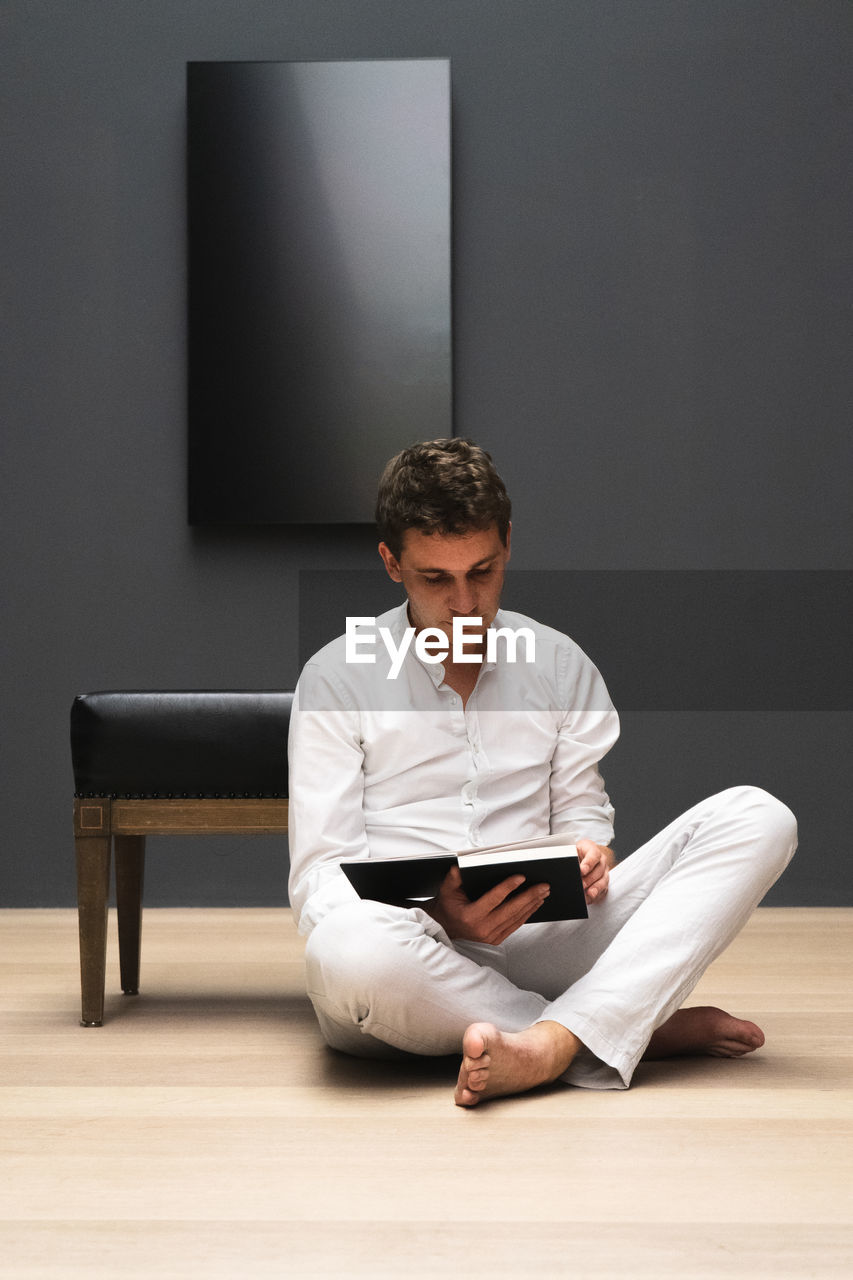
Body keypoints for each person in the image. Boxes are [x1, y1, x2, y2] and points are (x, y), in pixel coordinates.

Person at [287, 439, 797, 1106]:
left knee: (757, 817)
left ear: (507, 545)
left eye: (483, 571)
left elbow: (583, 814)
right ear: (391, 563)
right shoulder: (335, 677)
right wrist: (435, 907)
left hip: (543, 934)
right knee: (347, 947)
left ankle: (550, 1044)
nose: (464, 604)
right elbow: (320, 885)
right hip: (406, 953)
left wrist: (589, 851)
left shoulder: (558, 665)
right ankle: (615, 1026)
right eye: (434, 579)